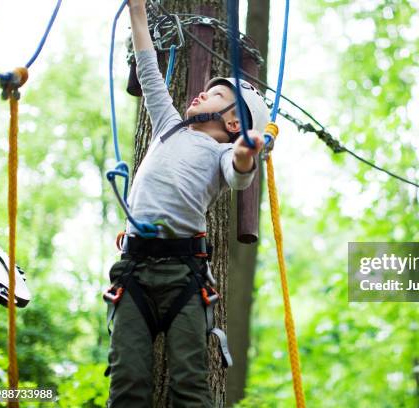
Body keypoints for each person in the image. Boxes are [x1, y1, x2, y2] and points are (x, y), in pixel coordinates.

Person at [105, 0, 269, 406]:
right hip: (134, 270)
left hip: (185, 276)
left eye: (215, 94)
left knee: (190, 385)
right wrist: (138, 13)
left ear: (234, 123)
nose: (201, 92)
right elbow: (149, 71)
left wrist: (247, 153)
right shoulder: (167, 128)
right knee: (127, 382)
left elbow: (237, 172)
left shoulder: (221, 155)